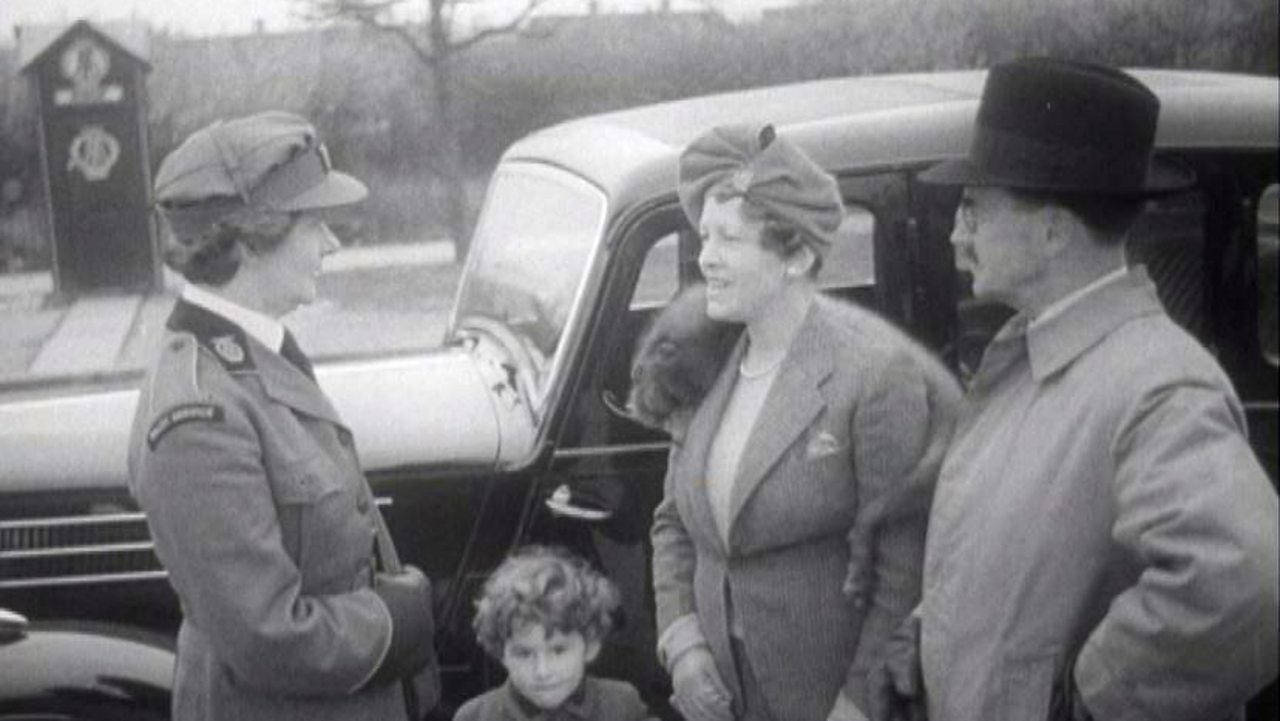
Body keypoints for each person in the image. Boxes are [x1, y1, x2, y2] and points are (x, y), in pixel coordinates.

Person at [870, 57, 1280, 721]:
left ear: (1053, 230)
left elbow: (1246, 582)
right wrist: (926, 638)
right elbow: (1027, 561)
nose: (954, 236)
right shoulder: (1033, 359)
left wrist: (1090, 699)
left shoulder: (1160, 384)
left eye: (973, 211)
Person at [127, 111, 438, 721]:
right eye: (314, 223)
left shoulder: (258, 354)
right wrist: (397, 622)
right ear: (248, 241)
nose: (332, 242)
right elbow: (267, 637)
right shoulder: (199, 418)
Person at [650, 123, 962, 721]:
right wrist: (683, 641)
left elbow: (906, 562)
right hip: (721, 696)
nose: (705, 259)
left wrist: (861, 702)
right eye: (704, 237)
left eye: (729, 240)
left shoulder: (874, 373)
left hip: (830, 703)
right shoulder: (705, 359)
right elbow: (673, 522)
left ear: (795, 256)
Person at [455, 545, 658, 721]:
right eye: (524, 653)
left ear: (590, 646)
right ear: (501, 653)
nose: (542, 671)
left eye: (559, 650)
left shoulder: (622, 705)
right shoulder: (476, 716)